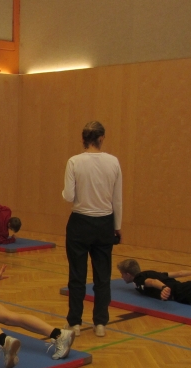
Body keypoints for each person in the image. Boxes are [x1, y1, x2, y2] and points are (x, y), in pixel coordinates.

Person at [62, 121, 123, 338]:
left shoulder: (74, 162)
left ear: (83, 139)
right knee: (102, 277)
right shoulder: (113, 162)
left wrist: (67, 192)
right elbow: (117, 199)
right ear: (101, 138)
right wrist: (117, 226)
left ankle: (75, 323)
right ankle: (100, 323)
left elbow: (68, 196)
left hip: (80, 223)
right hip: (105, 223)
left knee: (77, 275)